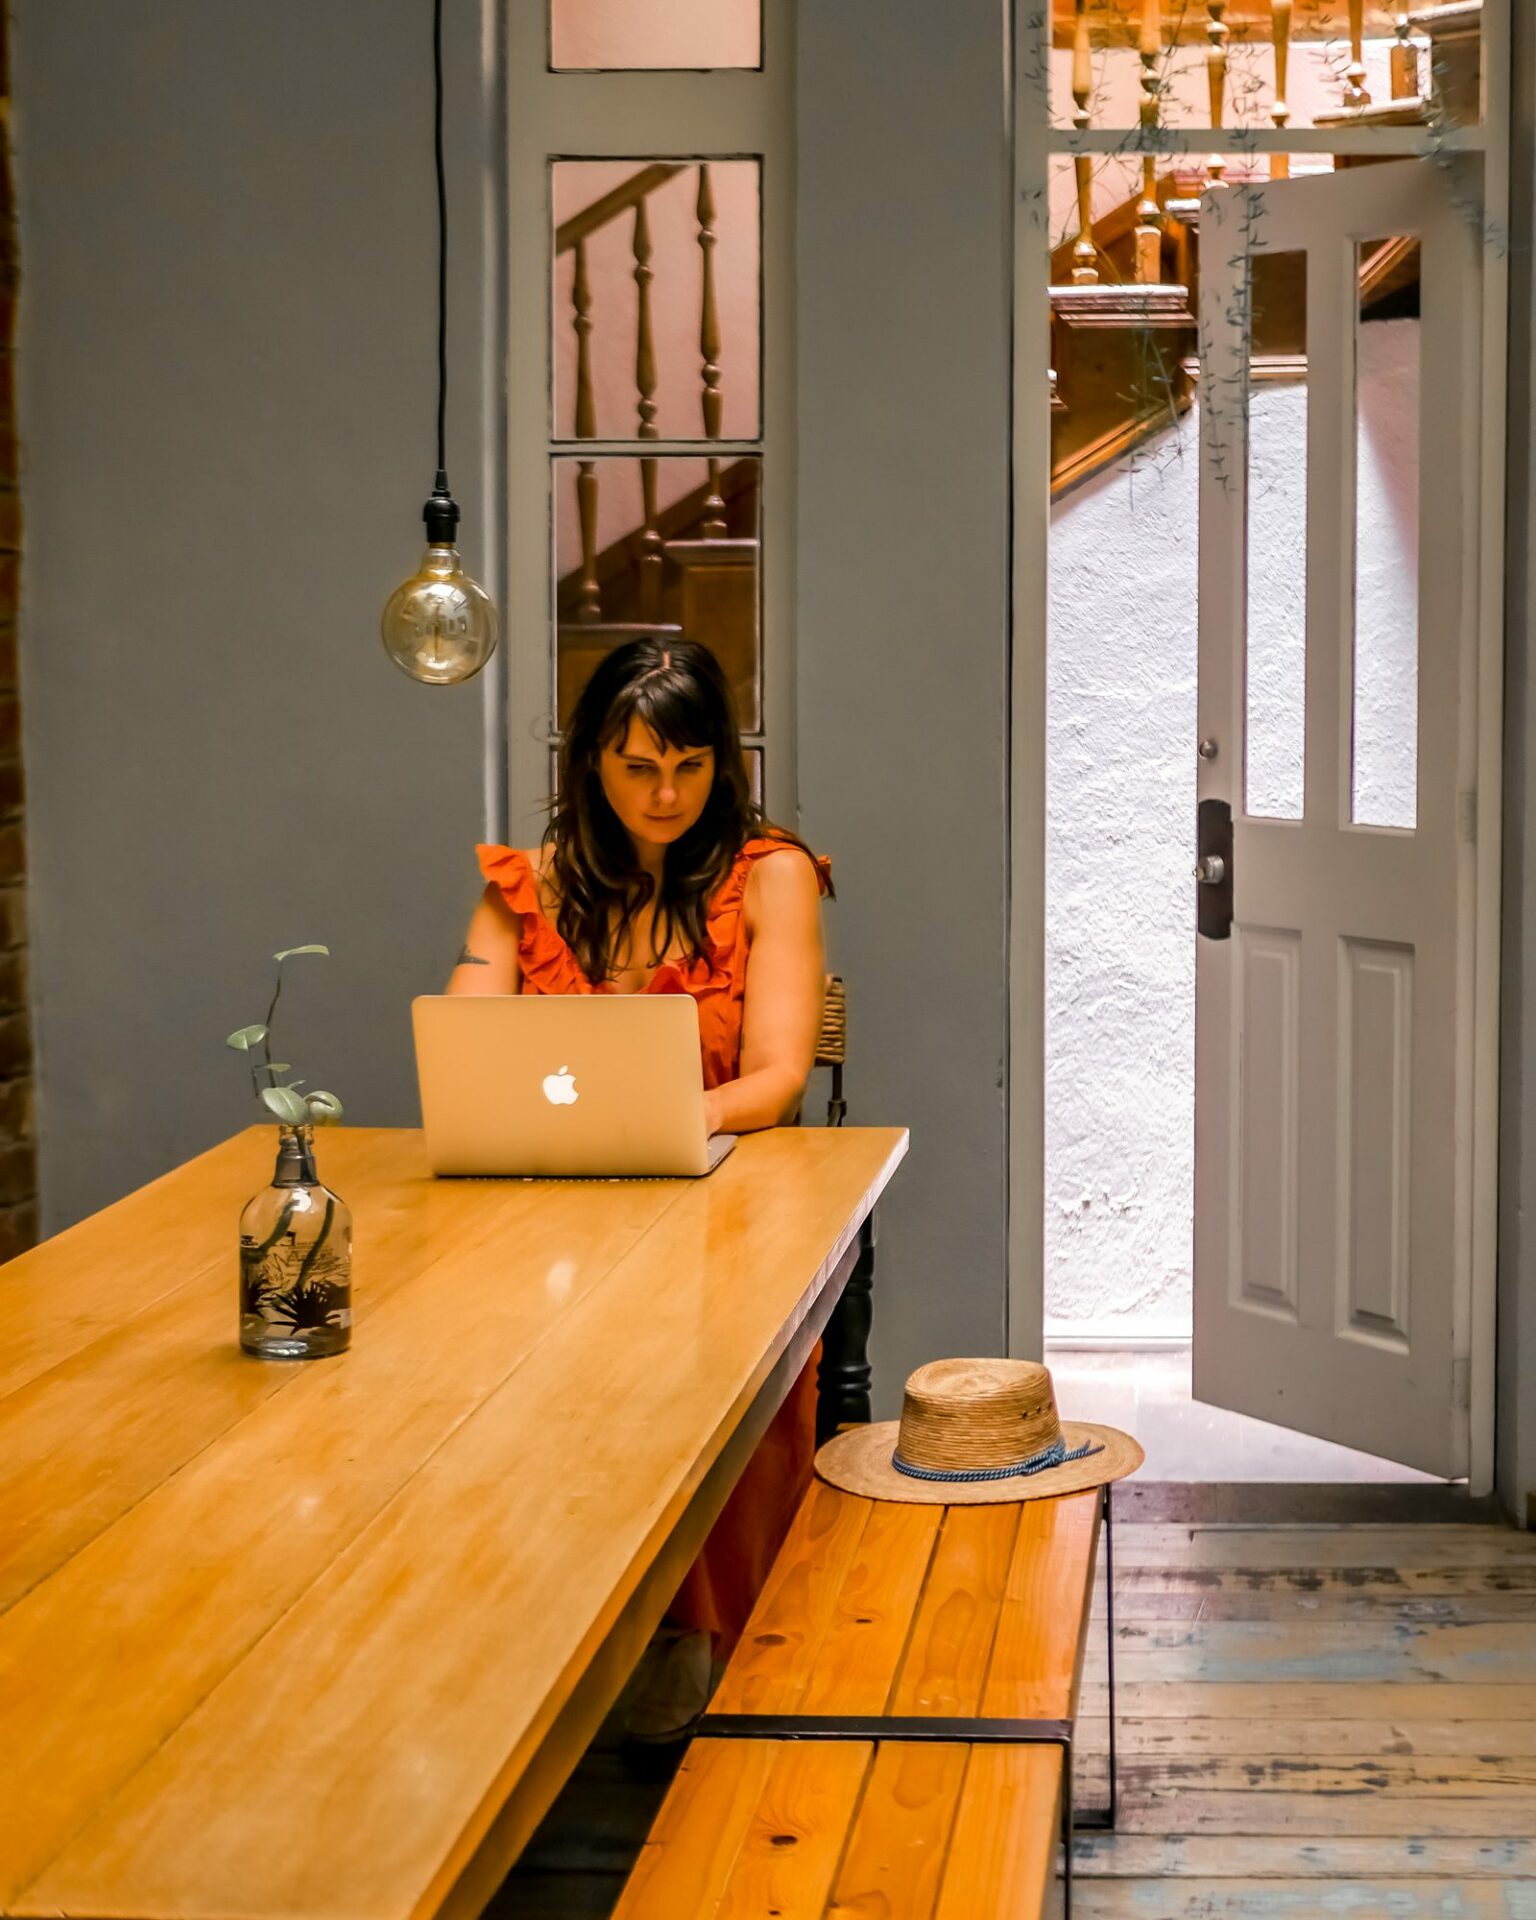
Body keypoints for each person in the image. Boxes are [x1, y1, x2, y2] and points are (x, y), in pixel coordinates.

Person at [447, 636, 833, 1737]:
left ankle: (696, 1645)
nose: (667, 795)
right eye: (637, 768)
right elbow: (464, 1046)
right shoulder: (530, 886)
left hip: (724, 1205)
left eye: (692, 766)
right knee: (472, 1362)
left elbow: (777, 1077)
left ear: (724, 765)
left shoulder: (771, 876)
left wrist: (656, 1123)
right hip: (553, 1209)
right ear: (591, 767)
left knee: (712, 1368)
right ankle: (542, 1635)